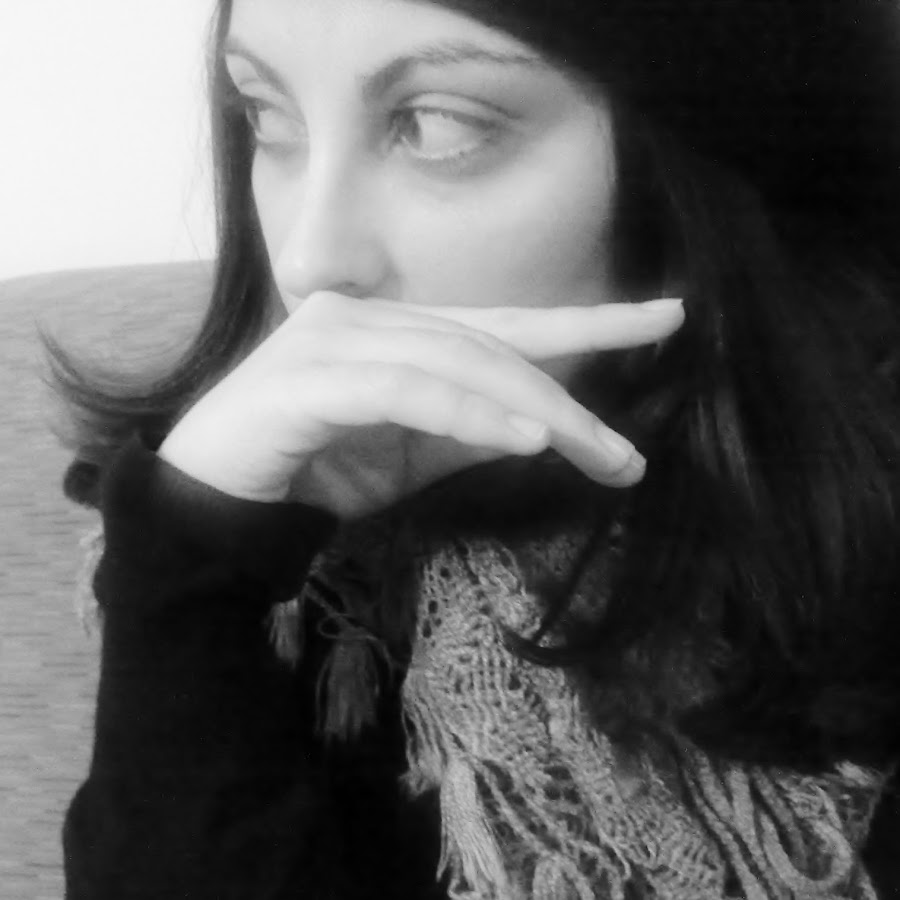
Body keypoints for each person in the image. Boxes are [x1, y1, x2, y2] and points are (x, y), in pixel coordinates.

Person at [50, 0, 900, 897]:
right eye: (267, 114)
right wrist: (191, 569)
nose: (309, 259)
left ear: (702, 152)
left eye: (435, 125)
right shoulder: (262, 533)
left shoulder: (853, 528)